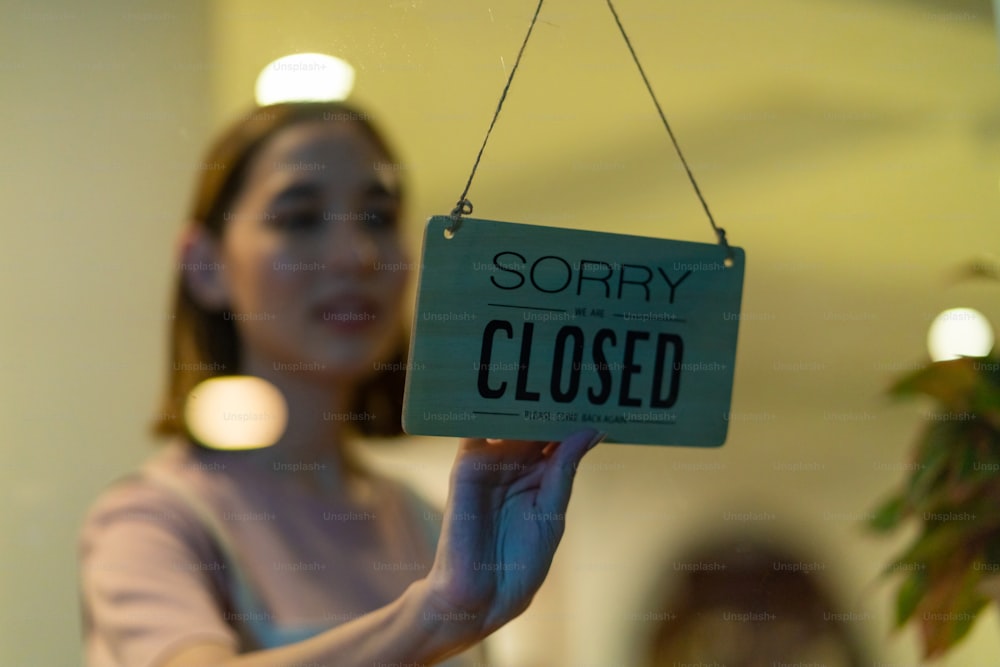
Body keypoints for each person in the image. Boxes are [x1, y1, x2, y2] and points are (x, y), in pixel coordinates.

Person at [78, 100, 605, 667]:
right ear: (206, 265)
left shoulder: (429, 519)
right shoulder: (155, 521)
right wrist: (435, 615)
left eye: (378, 217)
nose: (357, 256)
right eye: (299, 218)